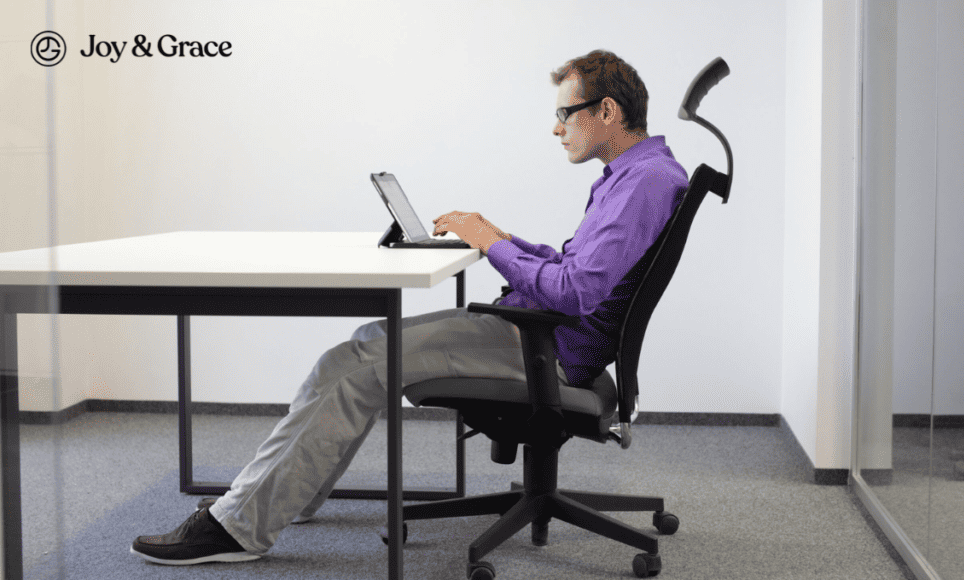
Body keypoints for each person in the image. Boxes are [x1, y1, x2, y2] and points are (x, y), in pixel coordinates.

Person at [130, 48, 689, 566]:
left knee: (349, 364)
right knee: (369, 342)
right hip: (543, 335)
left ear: (607, 111)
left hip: (545, 347)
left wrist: (490, 245)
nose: (556, 126)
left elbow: (574, 292)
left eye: (566, 113)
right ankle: (281, 494)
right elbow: (576, 267)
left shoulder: (643, 182)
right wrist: (501, 236)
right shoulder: (640, 173)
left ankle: (238, 528)